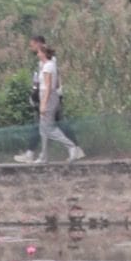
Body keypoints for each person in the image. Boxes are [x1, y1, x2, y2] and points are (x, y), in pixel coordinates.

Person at [15, 35, 84, 165]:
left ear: (42, 51)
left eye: (37, 50)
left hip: (49, 99)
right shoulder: (45, 64)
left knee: (49, 129)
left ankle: (72, 147)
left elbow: (48, 87)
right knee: (43, 129)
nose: (35, 53)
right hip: (47, 97)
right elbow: (51, 83)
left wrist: (43, 104)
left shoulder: (48, 66)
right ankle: (43, 157)